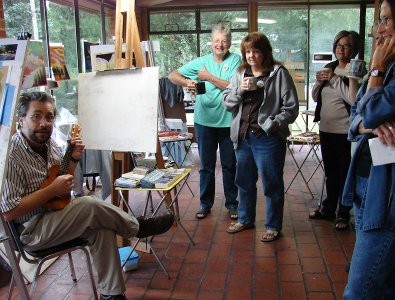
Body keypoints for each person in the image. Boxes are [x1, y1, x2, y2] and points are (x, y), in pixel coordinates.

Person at [0, 92, 175, 300]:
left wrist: (73, 160)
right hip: (31, 231)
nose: (44, 123)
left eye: (49, 117)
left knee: (102, 229)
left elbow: (63, 183)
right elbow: (9, 212)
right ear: (21, 120)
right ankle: (136, 227)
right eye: (36, 116)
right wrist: (51, 191)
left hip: (57, 216)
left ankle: (112, 295)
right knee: (90, 205)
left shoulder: (51, 146)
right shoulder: (9, 156)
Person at [341, 0, 395, 298]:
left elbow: (371, 111)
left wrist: (375, 68)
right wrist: (369, 123)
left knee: (359, 291)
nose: (379, 30)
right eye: (379, 21)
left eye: (387, 20)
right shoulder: (388, 70)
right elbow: (355, 119)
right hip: (365, 181)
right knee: (385, 283)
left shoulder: (386, 69)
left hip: (388, 194)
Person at [222, 32, 299, 242]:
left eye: (256, 51)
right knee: (244, 181)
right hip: (243, 136)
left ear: (265, 53)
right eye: (248, 51)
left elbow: (291, 108)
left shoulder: (278, 73)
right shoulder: (240, 73)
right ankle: (245, 219)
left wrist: (273, 125)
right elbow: (227, 103)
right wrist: (239, 90)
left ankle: (273, 226)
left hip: (268, 138)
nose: (251, 56)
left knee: (271, 183)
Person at [168, 23, 241, 220]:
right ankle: (205, 203)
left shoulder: (236, 60)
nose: (220, 45)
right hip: (204, 121)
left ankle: (232, 204)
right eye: (217, 40)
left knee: (229, 165)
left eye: (224, 41)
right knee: (206, 166)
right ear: (211, 42)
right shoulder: (202, 61)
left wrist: (208, 77)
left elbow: (233, 86)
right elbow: (172, 75)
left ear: (230, 43)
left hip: (227, 122)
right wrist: (188, 82)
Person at [309, 30, 361, 231]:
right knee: (330, 172)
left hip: (345, 131)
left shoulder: (355, 69)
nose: (341, 49)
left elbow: (353, 99)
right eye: (339, 45)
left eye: (346, 45)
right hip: (326, 128)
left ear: (354, 48)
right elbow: (315, 97)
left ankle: (343, 213)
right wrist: (320, 81)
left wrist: (334, 80)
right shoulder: (329, 67)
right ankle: (329, 208)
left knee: (345, 173)